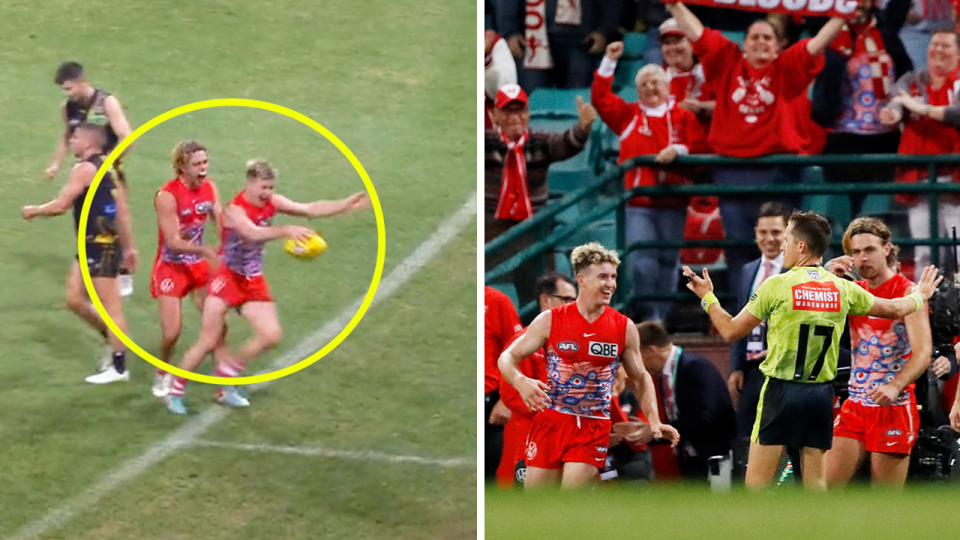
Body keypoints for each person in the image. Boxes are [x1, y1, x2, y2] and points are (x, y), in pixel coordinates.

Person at [683, 211, 942, 490]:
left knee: (756, 484)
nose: (782, 246)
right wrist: (920, 295)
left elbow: (731, 330)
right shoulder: (842, 288)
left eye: (787, 240)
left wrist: (707, 298)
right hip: (821, 394)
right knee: (817, 485)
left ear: (801, 246)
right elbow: (895, 308)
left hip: (782, 392)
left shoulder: (778, 284)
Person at [664, 3, 846, 293]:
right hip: (732, 171)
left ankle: (787, 311)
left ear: (777, 47)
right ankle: (745, 319)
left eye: (768, 38)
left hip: (780, 171)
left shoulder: (785, 67)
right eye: (755, 37)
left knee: (787, 249)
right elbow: (698, 34)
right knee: (740, 248)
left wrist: (841, 15)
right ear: (744, 45)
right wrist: (674, 6)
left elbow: (814, 46)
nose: (761, 42)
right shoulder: (727, 61)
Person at [165, 159, 371, 414]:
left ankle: (227, 377)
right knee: (208, 341)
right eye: (263, 187)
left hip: (252, 280)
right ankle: (175, 391)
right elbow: (251, 233)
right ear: (250, 184)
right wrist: (285, 230)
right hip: (226, 278)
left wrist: (346, 204)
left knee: (271, 335)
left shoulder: (272, 202)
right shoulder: (235, 210)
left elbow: (309, 209)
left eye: (271, 188)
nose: (268, 193)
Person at [499, 242, 679, 489]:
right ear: (581, 280)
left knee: (569, 501)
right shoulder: (551, 320)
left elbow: (640, 377)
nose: (610, 284)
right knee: (538, 508)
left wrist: (654, 420)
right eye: (603, 276)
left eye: (613, 277)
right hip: (551, 422)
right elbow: (507, 357)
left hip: (592, 425)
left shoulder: (623, 327)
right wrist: (520, 381)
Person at [591, 41, 707, 322]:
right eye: (644, 84)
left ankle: (660, 323)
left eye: (657, 82)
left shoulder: (682, 117)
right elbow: (601, 98)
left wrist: (679, 151)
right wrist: (609, 60)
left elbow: (701, 147)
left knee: (669, 263)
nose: (652, 87)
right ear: (637, 90)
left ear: (667, 87)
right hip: (640, 203)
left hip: (674, 201)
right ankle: (650, 317)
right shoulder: (629, 115)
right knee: (642, 263)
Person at [22, 123, 138, 384]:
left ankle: (119, 368)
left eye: (74, 137)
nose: (71, 141)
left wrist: (35, 210)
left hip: (101, 244)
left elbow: (62, 205)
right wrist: (129, 247)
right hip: (95, 244)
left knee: (111, 308)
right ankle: (112, 338)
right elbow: (123, 212)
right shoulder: (110, 168)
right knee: (74, 299)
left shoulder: (85, 169)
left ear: (88, 142)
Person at [822, 217, 932, 487]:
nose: (862, 258)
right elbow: (816, 319)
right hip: (856, 404)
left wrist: (895, 386)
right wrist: (826, 279)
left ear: (886, 249)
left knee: (885, 502)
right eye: (855, 252)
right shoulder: (852, 291)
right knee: (823, 489)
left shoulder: (907, 293)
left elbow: (923, 352)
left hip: (893, 406)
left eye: (869, 250)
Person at [484, 84, 595, 309]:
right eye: (508, 111)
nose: (514, 117)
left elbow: (566, 143)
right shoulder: (486, 143)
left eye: (519, 111)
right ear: (495, 115)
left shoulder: (539, 142)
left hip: (532, 230)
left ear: (527, 114)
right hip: (493, 230)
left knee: (540, 294)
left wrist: (582, 129)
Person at [813, 0, 913, 218]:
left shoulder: (885, 30)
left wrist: (899, 107)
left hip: (886, 140)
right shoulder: (828, 32)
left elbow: (906, 72)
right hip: (842, 140)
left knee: (878, 217)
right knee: (840, 216)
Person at [149, 141, 232, 398]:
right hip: (171, 266)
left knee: (219, 324)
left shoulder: (209, 188)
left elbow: (219, 219)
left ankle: (223, 386)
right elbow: (173, 240)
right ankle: (163, 371)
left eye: (205, 162)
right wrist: (205, 250)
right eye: (197, 164)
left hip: (197, 265)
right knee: (172, 332)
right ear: (182, 167)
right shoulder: (167, 196)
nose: (203, 168)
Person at [48, 62, 137, 298]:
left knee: (118, 216)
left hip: (109, 172)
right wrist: (56, 163)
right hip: (86, 172)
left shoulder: (106, 102)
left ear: (82, 81)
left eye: (69, 88)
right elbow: (66, 135)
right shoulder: (68, 107)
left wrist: (106, 161)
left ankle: (125, 270)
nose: (67, 94)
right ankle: (96, 272)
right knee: (88, 221)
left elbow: (127, 137)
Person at [880, 27, 960, 272]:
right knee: (925, 253)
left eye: (945, 45)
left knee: (959, 252)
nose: (937, 49)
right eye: (934, 44)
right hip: (919, 178)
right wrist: (892, 112)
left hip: (955, 181)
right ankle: (924, 308)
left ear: (958, 53)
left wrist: (921, 108)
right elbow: (896, 101)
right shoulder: (912, 80)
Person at [495, 272, 576, 487]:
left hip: (567, 441)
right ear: (544, 300)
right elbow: (511, 394)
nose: (572, 306)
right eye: (566, 299)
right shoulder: (523, 342)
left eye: (574, 301)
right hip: (530, 441)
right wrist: (556, 410)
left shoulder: (576, 342)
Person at [637, 321, 735, 481]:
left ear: (652, 350)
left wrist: (657, 432)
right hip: (690, 458)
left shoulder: (696, 368)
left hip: (712, 459)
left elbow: (704, 418)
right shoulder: (666, 374)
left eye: (637, 355)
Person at [484, 284, 524, 481]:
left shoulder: (496, 301)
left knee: (487, 470)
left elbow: (516, 352)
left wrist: (505, 400)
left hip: (487, 403)